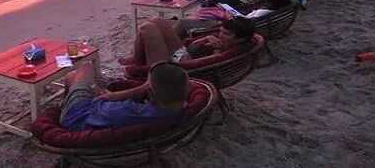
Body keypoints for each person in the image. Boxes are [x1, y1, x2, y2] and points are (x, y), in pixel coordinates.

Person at [60, 61, 188, 131]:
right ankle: (66, 101)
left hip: (78, 116)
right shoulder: (178, 109)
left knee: (84, 66)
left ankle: (63, 110)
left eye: (147, 83)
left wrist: (107, 94)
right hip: (98, 113)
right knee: (74, 79)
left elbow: (97, 101)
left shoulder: (130, 111)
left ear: (150, 90)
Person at [129, 17, 255, 66]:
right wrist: (205, 39)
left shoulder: (224, 54)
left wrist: (214, 49)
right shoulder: (229, 43)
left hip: (173, 67)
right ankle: (137, 60)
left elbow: (188, 63)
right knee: (157, 20)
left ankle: (139, 69)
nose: (220, 35)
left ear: (241, 38)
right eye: (221, 31)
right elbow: (190, 49)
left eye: (226, 34)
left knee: (147, 28)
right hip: (182, 56)